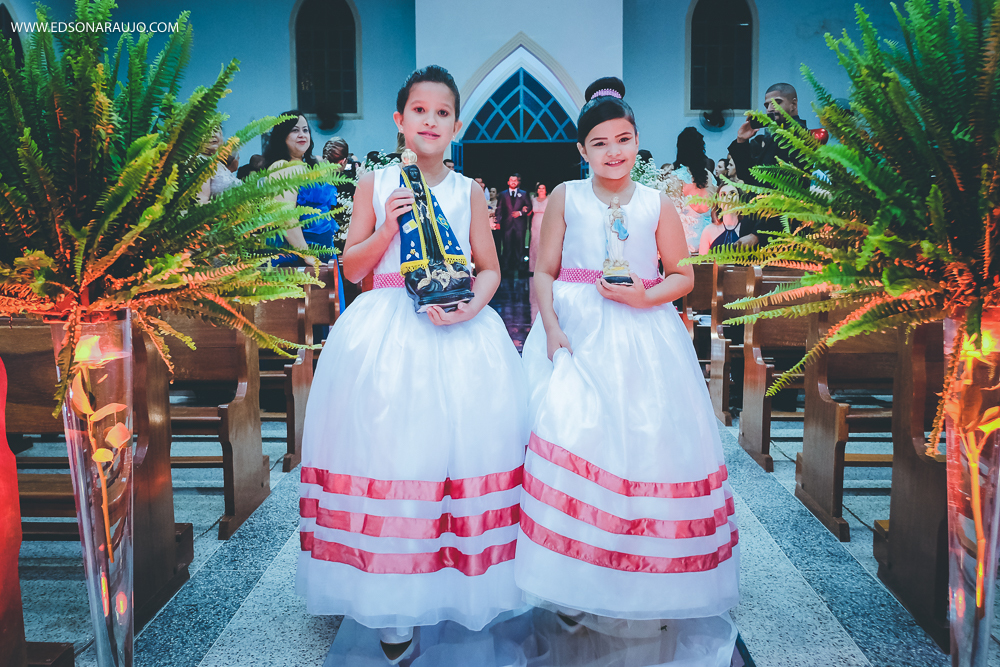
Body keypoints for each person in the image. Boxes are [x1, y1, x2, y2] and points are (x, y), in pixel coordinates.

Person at [296, 65, 527, 663]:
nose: (431, 121)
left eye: (443, 112)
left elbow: (491, 268)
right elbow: (351, 267)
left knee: (457, 453)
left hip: (456, 329)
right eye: (419, 110)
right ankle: (392, 600)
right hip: (387, 330)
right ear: (400, 121)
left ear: (455, 124)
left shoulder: (468, 189)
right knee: (391, 453)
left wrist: (471, 307)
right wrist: (387, 227)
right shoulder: (376, 183)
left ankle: (453, 581)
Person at [518, 76, 739, 664]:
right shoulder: (566, 196)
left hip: (643, 334)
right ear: (582, 151)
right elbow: (543, 270)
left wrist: (645, 297)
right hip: (578, 329)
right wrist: (553, 327)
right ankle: (570, 573)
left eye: (624, 139)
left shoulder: (655, 202)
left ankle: (644, 575)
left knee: (644, 446)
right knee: (571, 438)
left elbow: (683, 275)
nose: (614, 151)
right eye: (600, 142)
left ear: (638, 142)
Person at [728, 82, 808, 245]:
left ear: (793, 104)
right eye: (766, 105)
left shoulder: (797, 136)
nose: (770, 108)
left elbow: (787, 192)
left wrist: (759, 235)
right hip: (759, 223)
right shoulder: (776, 136)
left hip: (776, 234)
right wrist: (742, 141)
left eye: (777, 102)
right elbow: (751, 179)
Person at [263, 112, 339, 268]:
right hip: (296, 255)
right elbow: (286, 216)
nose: (302, 135)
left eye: (305, 130)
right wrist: (306, 255)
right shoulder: (281, 167)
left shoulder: (313, 165)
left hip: (324, 251)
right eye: (294, 130)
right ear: (282, 136)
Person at [673, 127, 717, 253]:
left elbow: (672, 214)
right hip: (709, 241)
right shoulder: (710, 176)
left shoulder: (678, 177)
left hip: (686, 242)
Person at [495, 172, 532, 274]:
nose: (513, 182)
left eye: (515, 180)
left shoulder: (524, 193)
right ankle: (506, 267)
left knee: (520, 246)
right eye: (512, 180)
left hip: (520, 225)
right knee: (506, 246)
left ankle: (520, 267)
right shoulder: (503, 194)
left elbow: (529, 206)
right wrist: (497, 222)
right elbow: (499, 209)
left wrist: (520, 213)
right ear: (508, 182)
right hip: (507, 224)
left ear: (518, 182)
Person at [196, 125, 240, 204]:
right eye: (207, 130)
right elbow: (201, 202)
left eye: (216, 130)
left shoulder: (217, 162)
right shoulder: (199, 162)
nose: (213, 134)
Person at [699, 183, 742, 254]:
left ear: (740, 199)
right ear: (718, 201)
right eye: (723, 195)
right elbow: (702, 263)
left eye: (732, 193)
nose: (728, 197)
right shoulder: (709, 231)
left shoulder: (748, 229)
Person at [528, 183, 549, 322]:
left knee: (544, 245)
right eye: (539, 188)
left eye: (543, 188)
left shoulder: (550, 200)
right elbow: (529, 211)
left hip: (545, 223)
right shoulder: (533, 200)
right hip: (535, 223)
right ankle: (532, 268)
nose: (541, 190)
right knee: (534, 244)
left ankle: (544, 267)